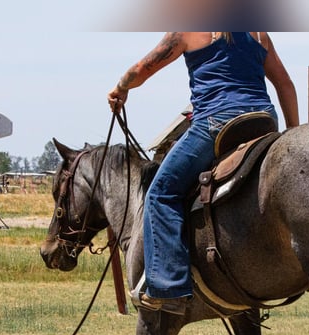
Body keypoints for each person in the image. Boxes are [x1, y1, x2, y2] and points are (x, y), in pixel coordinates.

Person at [108, 32, 299, 315]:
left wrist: (120, 88)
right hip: (262, 119)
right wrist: (292, 136)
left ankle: (168, 286)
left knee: (161, 192)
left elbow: (142, 69)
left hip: (217, 122)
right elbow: (285, 84)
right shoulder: (258, 32)